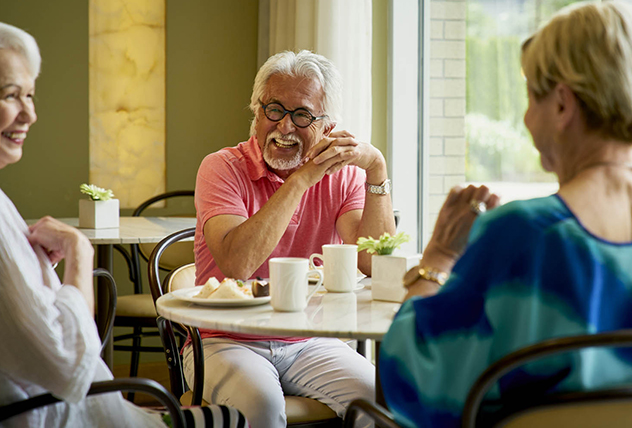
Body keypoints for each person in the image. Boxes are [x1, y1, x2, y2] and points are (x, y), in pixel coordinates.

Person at [378, 1, 632, 428]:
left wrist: (438, 258)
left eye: (532, 96)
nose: (528, 117)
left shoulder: (520, 235)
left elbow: (411, 385)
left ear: (563, 104)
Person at [0, 21, 247, 427]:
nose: (30, 112)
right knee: (235, 420)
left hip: (100, 409)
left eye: (30, 94)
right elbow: (70, 371)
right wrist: (80, 253)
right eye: (12, 95)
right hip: (70, 416)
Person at [189, 50, 395, 426]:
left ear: (327, 126)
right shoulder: (220, 168)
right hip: (223, 339)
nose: (284, 127)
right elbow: (239, 263)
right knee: (262, 405)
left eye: (301, 115)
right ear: (256, 112)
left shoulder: (343, 177)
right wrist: (300, 180)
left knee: (381, 400)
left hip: (309, 337)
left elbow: (374, 265)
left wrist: (376, 170)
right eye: (273, 110)